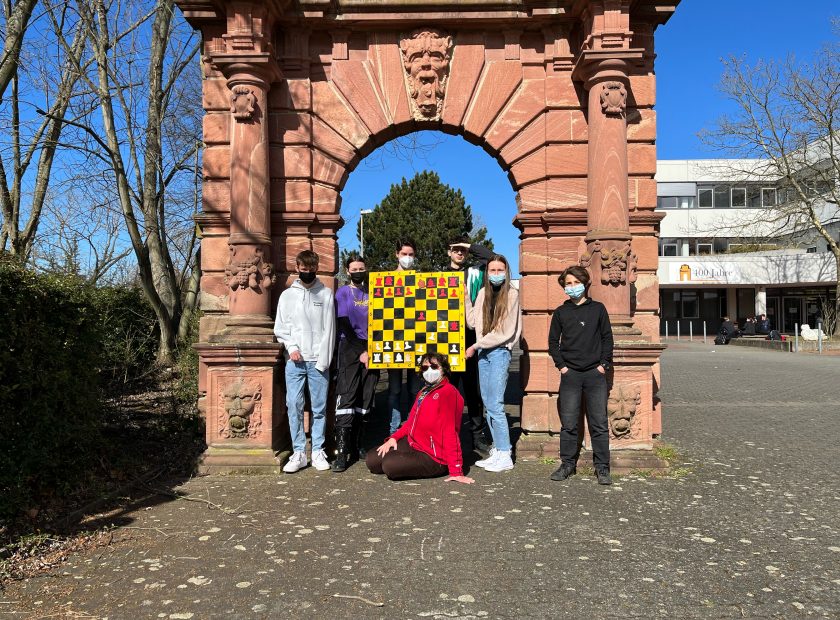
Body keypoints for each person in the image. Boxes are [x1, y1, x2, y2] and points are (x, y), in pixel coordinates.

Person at [547, 265, 614, 485]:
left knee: (599, 423)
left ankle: (602, 468)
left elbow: (607, 339)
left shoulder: (598, 309)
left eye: (576, 282)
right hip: (571, 375)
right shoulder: (561, 312)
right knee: (569, 424)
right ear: (564, 287)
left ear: (585, 284)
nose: (573, 287)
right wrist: (562, 367)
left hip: (595, 374)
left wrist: (603, 365)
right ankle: (567, 464)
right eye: (568, 283)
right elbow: (552, 342)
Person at [366, 352, 474, 484]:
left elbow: (450, 432)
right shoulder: (424, 391)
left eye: (434, 367)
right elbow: (410, 422)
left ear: (443, 369)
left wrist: (456, 470)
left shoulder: (449, 393)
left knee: (389, 465)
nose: (429, 371)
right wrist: (393, 438)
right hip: (414, 443)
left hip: (434, 456)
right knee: (372, 460)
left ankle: (441, 467)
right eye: (424, 367)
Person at [274, 250, 336, 473]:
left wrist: (323, 359)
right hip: (295, 361)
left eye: (311, 269)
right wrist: (291, 348)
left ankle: (317, 450)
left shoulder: (326, 294)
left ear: (316, 268)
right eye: (303, 269)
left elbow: (329, 329)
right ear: (297, 268)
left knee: (319, 408)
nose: (307, 272)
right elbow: (281, 327)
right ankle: (299, 451)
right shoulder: (287, 296)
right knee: (294, 406)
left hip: (317, 361)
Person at [465, 254, 522, 473]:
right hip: (483, 354)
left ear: (506, 272)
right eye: (492, 270)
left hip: (498, 352)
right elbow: (472, 323)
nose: (496, 274)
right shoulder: (482, 293)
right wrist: (464, 297)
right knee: (488, 404)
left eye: (500, 270)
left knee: (496, 405)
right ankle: (497, 450)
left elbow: (504, 332)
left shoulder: (512, 294)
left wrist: (475, 346)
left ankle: (505, 453)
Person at [446, 235, 495, 452]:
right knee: (449, 391)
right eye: (455, 249)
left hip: (471, 338)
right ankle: (448, 434)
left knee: (474, 391)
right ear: (449, 252)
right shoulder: (439, 276)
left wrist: (470, 245)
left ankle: (477, 435)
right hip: (446, 342)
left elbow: (493, 258)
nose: (459, 253)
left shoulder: (475, 273)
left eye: (463, 250)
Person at [332, 253, 378, 472]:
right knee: (347, 396)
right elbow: (344, 324)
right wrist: (361, 351)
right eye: (355, 269)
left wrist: (371, 350)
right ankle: (341, 452)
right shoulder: (343, 293)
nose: (359, 272)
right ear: (348, 271)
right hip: (351, 347)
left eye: (362, 268)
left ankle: (358, 445)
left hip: (373, 348)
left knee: (366, 398)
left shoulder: (374, 292)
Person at [387, 237, 421, 435]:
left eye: (411, 255)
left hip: (416, 344)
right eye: (404, 254)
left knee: (415, 390)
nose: (407, 258)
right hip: (392, 343)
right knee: (394, 391)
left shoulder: (420, 280)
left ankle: (412, 429)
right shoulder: (386, 280)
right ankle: (393, 430)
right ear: (397, 255)